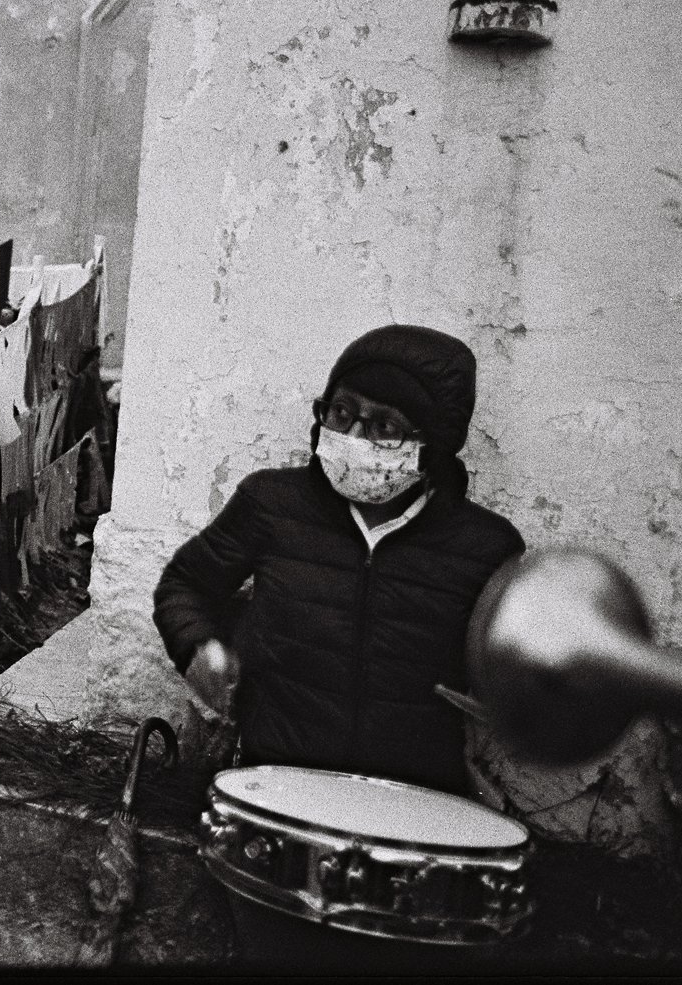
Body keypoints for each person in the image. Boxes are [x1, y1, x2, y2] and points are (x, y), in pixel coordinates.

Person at [151, 324, 525, 969]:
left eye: (384, 426)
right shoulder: (273, 503)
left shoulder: (485, 548)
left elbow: (510, 665)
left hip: (419, 816)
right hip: (280, 791)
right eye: (342, 413)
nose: (354, 439)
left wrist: (506, 699)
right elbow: (186, 583)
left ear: (430, 444)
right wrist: (201, 650)